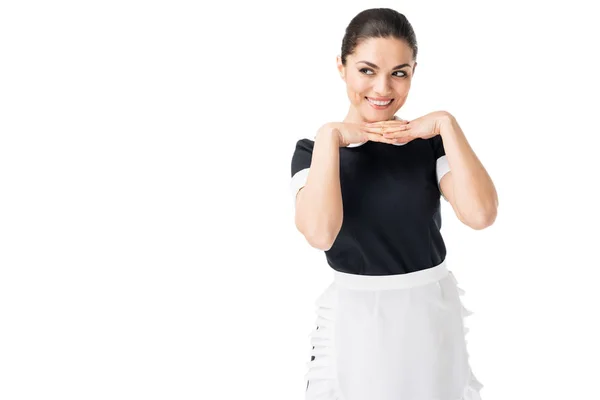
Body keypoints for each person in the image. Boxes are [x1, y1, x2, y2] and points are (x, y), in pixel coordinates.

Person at [289, 8, 498, 400]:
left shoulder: (429, 145)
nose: (383, 88)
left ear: (413, 72)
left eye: (399, 73)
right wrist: (331, 136)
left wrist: (447, 125)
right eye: (367, 70)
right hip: (355, 320)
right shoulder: (313, 152)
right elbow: (320, 233)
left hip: (429, 316)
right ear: (342, 67)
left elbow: (481, 213)